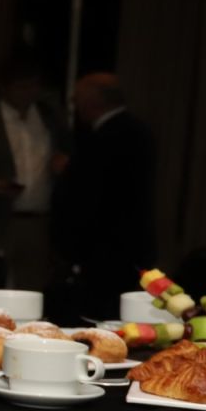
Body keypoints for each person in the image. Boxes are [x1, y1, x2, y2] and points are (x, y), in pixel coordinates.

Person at [52, 71, 157, 316]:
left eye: (76, 100)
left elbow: (93, 194)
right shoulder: (139, 130)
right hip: (132, 244)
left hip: (106, 249)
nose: (75, 107)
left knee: (103, 314)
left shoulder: (105, 137)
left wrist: (68, 171)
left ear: (92, 102)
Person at [0, 54, 66, 292]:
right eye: (22, 86)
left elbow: (67, 153)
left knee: (33, 290)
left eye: (34, 86)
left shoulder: (49, 117)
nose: (29, 92)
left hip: (37, 221)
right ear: (5, 87)